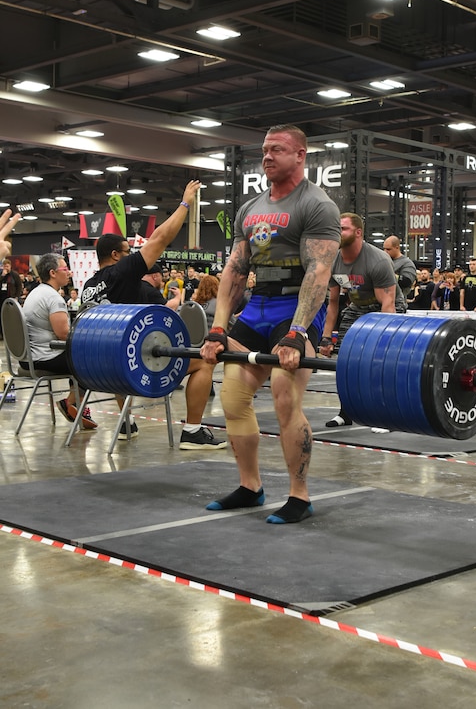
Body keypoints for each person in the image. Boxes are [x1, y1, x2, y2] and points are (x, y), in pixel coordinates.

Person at [200, 123, 340, 525]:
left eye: (277, 149)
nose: (266, 156)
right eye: (264, 149)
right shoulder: (251, 208)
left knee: (284, 395)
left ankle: (300, 495)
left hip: (294, 312)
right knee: (231, 399)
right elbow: (235, 271)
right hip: (257, 310)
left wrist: (297, 333)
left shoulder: (317, 205)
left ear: (300, 155)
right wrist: (219, 327)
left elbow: (318, 272)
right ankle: (250, 487)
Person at [82, 180, 226, 449]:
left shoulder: (88, 288)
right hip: (128, 371)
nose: (132, 256)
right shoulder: (120, 273)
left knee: (116, 345)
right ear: (116, 256)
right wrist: (185, 203)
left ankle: (127, 424)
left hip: (100, 371)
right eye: (128, 253)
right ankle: (193, 431)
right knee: (205, 362)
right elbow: (160, 238)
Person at [319, 213, 400, 427]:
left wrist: (383, 342)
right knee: (345, 362)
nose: (338, 232)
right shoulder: (333, 260)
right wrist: (326, 338)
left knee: (379, 363)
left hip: (386, 308)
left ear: (358, 232)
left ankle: (385, 416)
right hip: (357, 307)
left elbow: (388, 304)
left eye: (343, 228)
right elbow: (333, 303)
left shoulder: (377, 260)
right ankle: (345, 413)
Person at [22, 253, 97, 429]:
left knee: (79, 358)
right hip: (43, 357)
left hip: (28, 357)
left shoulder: (36, 292)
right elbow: (64, 334)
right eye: (65, 269)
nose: (69, 272)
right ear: (53, 273)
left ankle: (76, 404)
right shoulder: (53, 298)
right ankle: (70, 403)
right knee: (90, 361)